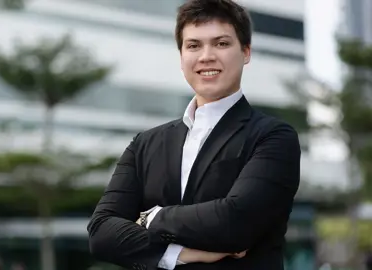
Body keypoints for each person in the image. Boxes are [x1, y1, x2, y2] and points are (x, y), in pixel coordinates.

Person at [87, 0, 301, 269]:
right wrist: (178, 254)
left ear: (246, 52)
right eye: (193, 45)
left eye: (221, 44)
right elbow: (101, 233)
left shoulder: (273, 137)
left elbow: (235, 223)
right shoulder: (145, 144)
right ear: (181, 57)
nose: (206, 56)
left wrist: (151, 218)